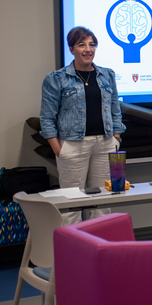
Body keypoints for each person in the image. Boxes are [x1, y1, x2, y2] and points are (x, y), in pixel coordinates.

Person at [40, 26, 125, 222]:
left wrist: (116, 137)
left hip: (105, 143)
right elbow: (47, 117)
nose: (88, 49)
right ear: (71, 49)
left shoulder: (107, 75)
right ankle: (73, 249)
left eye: (92, 44)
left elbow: (115, 108)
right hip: (72, 144)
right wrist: (57, 148)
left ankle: (100, 247)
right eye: (81, 45)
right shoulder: (57, 78)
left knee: (103, 199)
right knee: (71, 201)